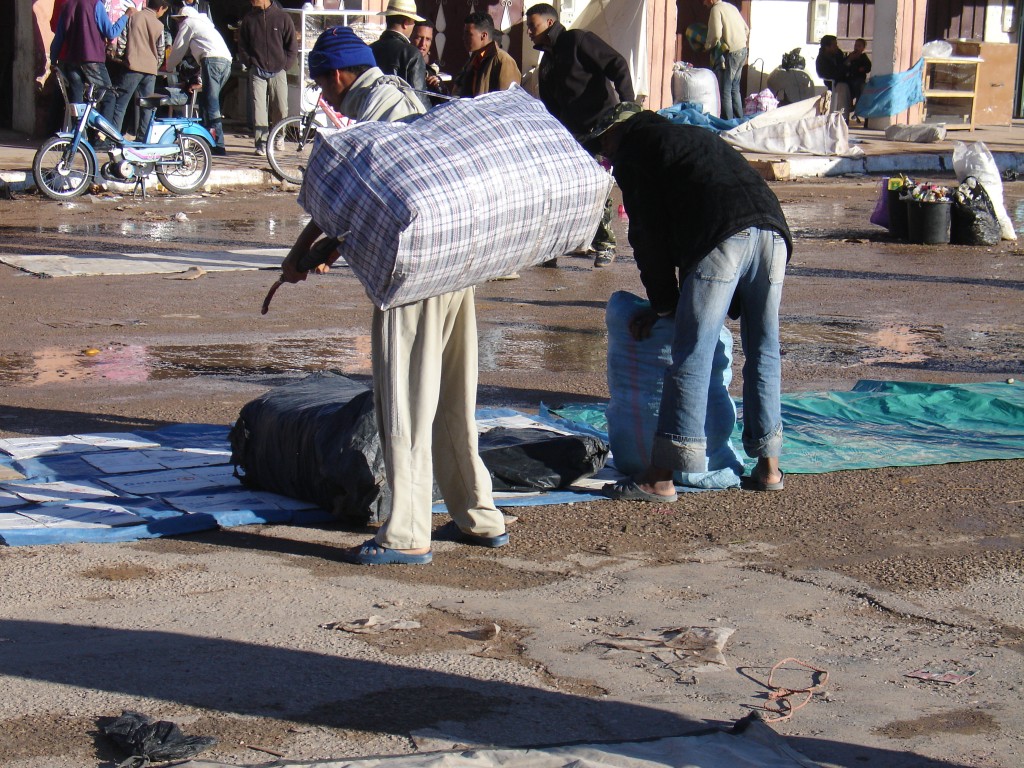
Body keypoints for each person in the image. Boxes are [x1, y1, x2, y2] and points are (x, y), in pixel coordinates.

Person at [280, 27, 509, 565]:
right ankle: (478, 516)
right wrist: (319, 248)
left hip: (414, 270)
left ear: (337, 74)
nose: (323, 96)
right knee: (453, 397)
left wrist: (302, 253)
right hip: (458, 256)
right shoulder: (403, 95)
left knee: (405, 399)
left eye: (321, 84)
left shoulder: (367, 113)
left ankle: (406, 532)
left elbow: (354, 197)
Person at [586, 103, 791, 500]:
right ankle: (769, 468)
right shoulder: (689, 137)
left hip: (725, 236)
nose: (606, 155)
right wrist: (666, 303)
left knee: (691, 353)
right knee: (764, 351)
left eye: (604, 145)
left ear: (617, 133)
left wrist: (664, 306)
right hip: (773, 234)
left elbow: (648, 236)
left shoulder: (636, 150)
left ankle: (660, 476)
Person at [525, 3, 632, 268]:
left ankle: (605, 245)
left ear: (549, 23)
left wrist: (628, 105)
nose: (529, 31)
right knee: (563, 189)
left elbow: (616, 63)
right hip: (571, 135)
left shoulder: (577, 39)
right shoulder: (547, 62)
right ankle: (557, 247)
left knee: (598, 187)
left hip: (602, 129)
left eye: (532, 25)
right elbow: (551, 105)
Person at [50, 0, 136, 123]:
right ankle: (102, 139)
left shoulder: (67, 6)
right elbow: (111, 33)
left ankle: (78, 137)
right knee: (108, 97)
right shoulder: (96, 5)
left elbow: (58, 38)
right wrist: (126, 15)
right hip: (92, 60)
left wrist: (53, 61)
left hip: (72, 60)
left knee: (77, 102)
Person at [165, 5, 234, 155]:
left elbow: (179, 48)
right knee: (205, 100)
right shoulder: (206, 26)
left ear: (183, 18)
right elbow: (205, 55)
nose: (178, 24)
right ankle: (205, 141)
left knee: (212, 103)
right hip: (225, 63)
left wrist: (168, 67)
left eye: (179, 20)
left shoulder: (189, 22)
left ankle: (219, 145)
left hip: (212, 62)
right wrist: (200, 82)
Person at [238, 0, 297, 154]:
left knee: (281, 107)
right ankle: (261, 142)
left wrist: (286, 65)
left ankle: (278, 136)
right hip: (257, 69)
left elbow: (292, 45)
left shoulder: (282, 17)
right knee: (259, 109)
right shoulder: (248, 19)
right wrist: (249, 62)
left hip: (279, 70)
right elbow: (242, 44)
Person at [111, 0, 170, 140]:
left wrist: (121, 57)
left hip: (132, 67)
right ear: (160, 8)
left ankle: (113, 138)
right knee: (147, 106)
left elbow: (122, 42)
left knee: (121, 104)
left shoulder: (133, 17)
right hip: (150, 70)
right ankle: (143, 138)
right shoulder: (159, 25)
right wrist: (155, 65)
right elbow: (161, 51)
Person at [370, 0, 430, 109]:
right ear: (405, 23)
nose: (413, 26)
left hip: (371, 118)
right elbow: (419, 100)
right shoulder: (411, 53)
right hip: (401, 120)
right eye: (413, 22)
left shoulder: (370, 49)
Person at [453, 12, 521, 97]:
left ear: (484, 35)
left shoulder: (503, 60)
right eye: (464, 34)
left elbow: (507, 100)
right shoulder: (474, 59)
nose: (464, 38)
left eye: (469, 34)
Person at [703, 0, 748, 121]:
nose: (704, 3)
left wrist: (707, 46)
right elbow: (746, 29)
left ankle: (728, 124)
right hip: (743, 50)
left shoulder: (716, 9)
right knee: (735, 88)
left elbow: (716, 34)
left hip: (732, 53)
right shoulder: (731, 7)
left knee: (725, 90)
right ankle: (739, 120)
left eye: (704, 0)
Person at [410, 19, 446, 99]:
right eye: (419, 38)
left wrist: (439, 87)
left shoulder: (430, 72)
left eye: (428, 39)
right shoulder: (404, 65)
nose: (423, 44)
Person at [846, 37, 872, 105]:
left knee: (858, 85)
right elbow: (846, 63)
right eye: (855, 45)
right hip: (851, 77)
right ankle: (850, 103)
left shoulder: (863, 57)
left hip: (859, 77)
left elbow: (868, 67)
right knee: (848, 87)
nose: (856, 47)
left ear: (863, 48)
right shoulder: (851, 55)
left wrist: (863, 68)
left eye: (859, 46)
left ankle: (858, 101)